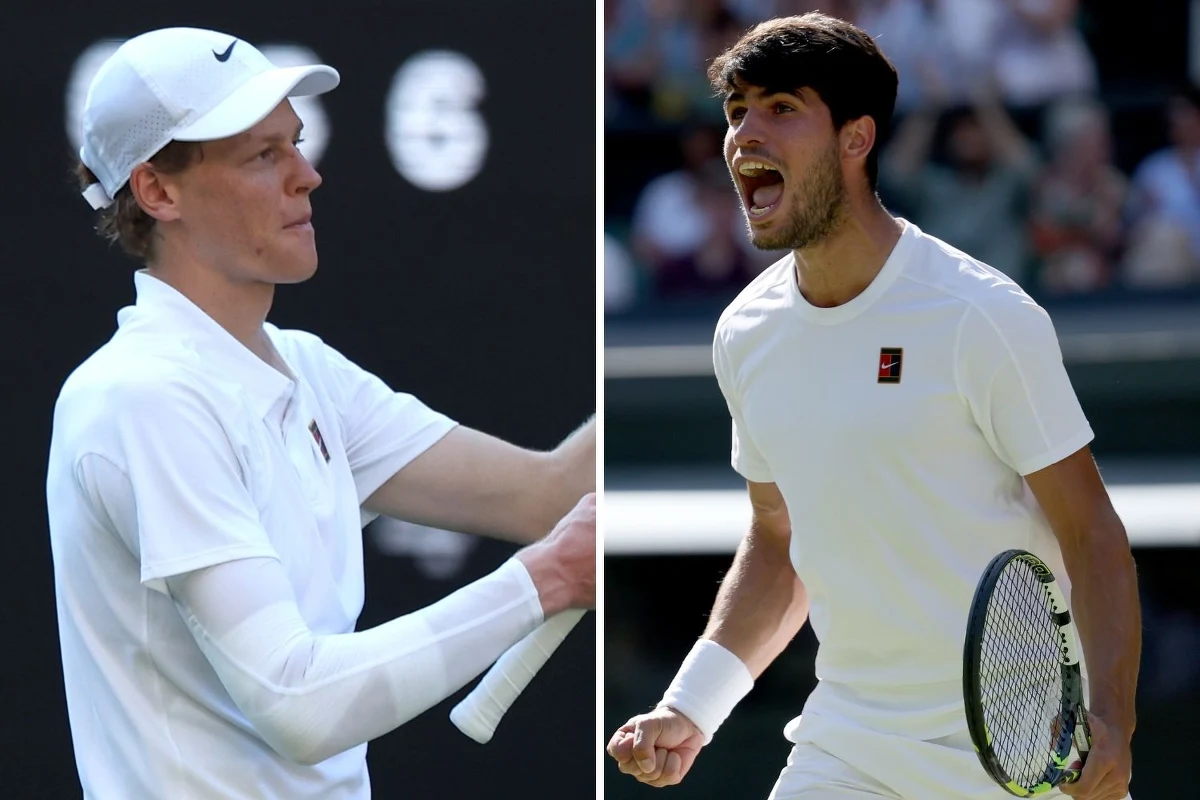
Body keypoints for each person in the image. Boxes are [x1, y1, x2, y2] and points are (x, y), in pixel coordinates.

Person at [47, 27, 595, 800]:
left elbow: (550, 496)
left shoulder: (304, 371)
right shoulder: (143, 398)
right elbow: (297, 702)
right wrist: (547, 579)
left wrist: (729, 333)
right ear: (157, 192)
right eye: (262, 155)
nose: (308, 176)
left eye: (295, 145)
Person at [607, 14, 1138, 800]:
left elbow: (1091, 533)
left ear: (856, 139)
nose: (745, 134)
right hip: (846, 752)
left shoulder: (981, 315)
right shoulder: (744, 335)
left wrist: (1113, 724)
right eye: (737, 111)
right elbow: (781, 539)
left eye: (782, 108)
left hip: (1026, 757)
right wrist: (692, 704)